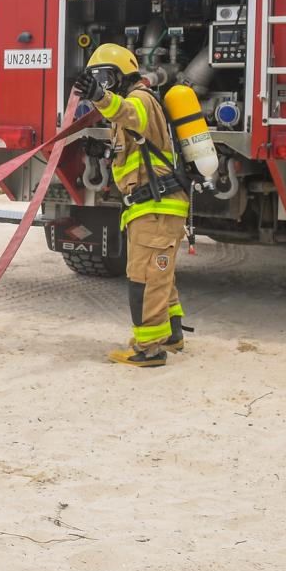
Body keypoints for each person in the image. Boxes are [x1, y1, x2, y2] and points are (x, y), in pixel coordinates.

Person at [70, 43, 189, 367]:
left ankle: (149, 349)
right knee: (159, 274)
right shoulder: (132, 106)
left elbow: (128, 113)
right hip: (152, 206)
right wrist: (104, 152)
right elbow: (136, 149)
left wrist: (99, 96)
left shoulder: (140, 99)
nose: (102, 86)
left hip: (156, 206)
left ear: (119, 75)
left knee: (145, 277)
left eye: (104, 79)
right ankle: (172, 334)